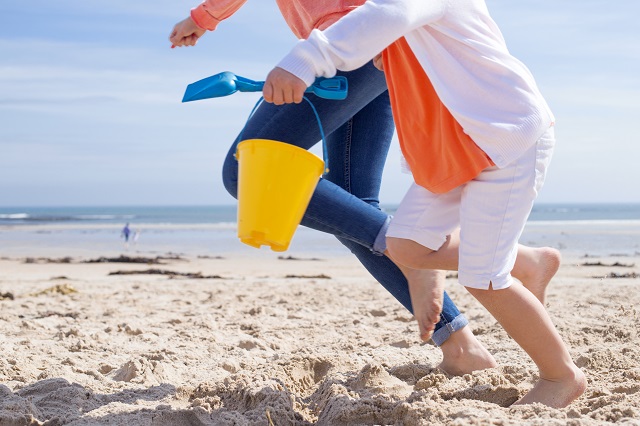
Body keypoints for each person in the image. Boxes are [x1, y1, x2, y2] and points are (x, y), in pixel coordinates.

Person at [169, 1, 563, 378]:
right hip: (384, 48)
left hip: (355, 37)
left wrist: (209, 20)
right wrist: (204, 18)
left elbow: (393, 10)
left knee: (246, 170)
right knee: (353, 203)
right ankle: (468, 330)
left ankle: (410, 256)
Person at [259, 0, 586, 408]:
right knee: (406, 246)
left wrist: (305, 58)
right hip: (452, 149)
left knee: (483, 276)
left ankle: (561, 375)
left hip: (504, 141)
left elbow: (387, 15)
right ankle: (530, 262)